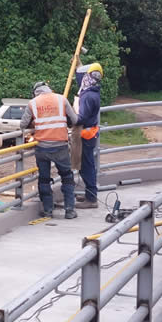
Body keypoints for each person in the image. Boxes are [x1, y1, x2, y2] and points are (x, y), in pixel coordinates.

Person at [20, 82, 79, 219]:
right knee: (67, 177)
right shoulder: (61, 99)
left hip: (42, 147)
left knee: (44, 179)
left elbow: (22, 124)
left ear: (35, 92)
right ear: (49, 89)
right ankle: (69, 210)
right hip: (60, 146)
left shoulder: (32, 103)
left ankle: (48, 210)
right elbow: (75, 120)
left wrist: (34, 122)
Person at [73, 63, 103, 209]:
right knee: (87, 165)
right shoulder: (93, 91)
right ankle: (89, 194)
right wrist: (79, 65)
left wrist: (70, 119)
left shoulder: (87, 96)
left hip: (85, 134)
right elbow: (81, 79)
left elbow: (82, 117)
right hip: (90, 133)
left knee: (87, 166)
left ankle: (91, 198)